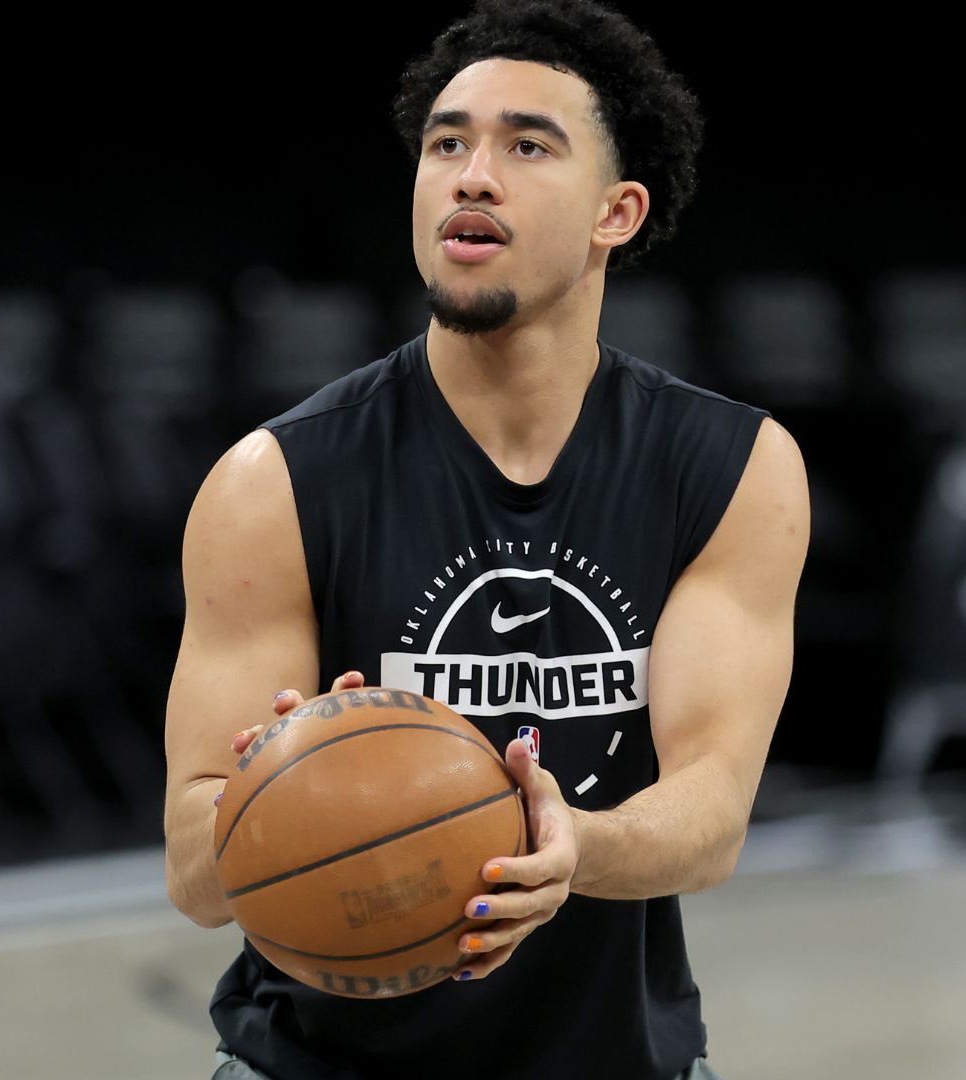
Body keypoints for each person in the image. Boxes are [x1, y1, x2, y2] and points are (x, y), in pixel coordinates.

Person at [162, 1, 808, 1076]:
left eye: (526, 145)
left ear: (618, 212)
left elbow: (712, 813)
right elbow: (192, 871)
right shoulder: (271, 481)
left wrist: (570, 848)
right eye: (447, 143)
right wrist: (283, 791)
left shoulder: (729, 467)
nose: (470, 174)